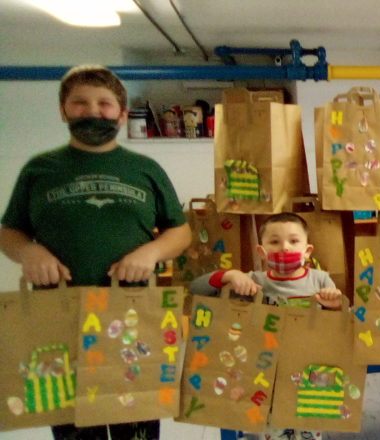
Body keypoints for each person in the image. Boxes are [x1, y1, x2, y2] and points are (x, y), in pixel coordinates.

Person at [0, 65, 191, 440]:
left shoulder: (144, 169)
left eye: (105, 104)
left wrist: (151, 253)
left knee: (134, 422)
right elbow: (8, 231)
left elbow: (180, 232)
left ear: (121, 114)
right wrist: (29, 254)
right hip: (59, 314)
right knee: (72, 424)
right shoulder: (39, 170)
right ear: (63, 110)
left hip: (133, 313)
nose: (93, 111)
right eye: (80, 102)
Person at [189, 212, 342, 440]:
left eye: (293, 241)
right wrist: (230, 275)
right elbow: (196, 288)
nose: (285, 248)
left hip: (309, 375)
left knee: (309, 430)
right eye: (274, 242)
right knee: (269, 431)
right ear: (261, 251)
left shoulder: (320, 280)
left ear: (307, 250)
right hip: (265, 375)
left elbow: (338, 328)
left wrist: (335, 304)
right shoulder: (256, 281)